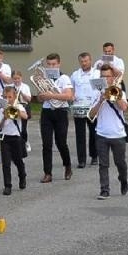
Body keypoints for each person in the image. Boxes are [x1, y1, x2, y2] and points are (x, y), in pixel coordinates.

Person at [89, 63, 128, 199]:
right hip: (101, 133)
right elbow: (91, 115)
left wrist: (113, 95)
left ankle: (123, 180)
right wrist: (100, 100)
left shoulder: (119, 91)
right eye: (103, 76)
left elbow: (124, 107)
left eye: (108, 76)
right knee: (103, 164)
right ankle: (104, 190)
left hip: (118, 134)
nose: (105, 79)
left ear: (113, 78)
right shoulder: (96, 92)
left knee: (120, 163)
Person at [36, 53, 75, 183]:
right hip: (47, 112)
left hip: (60, 112)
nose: (51, 67)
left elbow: (69, 96)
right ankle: (47, 173)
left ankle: (67, 166)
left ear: (59, 64)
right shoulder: (44, 78)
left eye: (54, 64)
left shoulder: (64, 78)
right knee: (46, 144)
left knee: (61, 143)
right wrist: (42, 95)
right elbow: (39, 98)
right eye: (49, 64)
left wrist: (51, 95)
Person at [0, 85, 28, 195]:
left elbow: (25, 116)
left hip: (16, 137)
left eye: (9, 97)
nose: (7, 99)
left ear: (14, 97)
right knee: (6, 163)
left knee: (18, 160)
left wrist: (13, 111)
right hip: (5, 138)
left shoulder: (18, 106)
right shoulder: (1, 109)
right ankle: (7, 186)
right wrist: (4, 118)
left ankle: (22, 176)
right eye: (5, 97)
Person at [70, 51, 99, 169]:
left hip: (93, 107)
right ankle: (81, 160)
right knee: (80, 134)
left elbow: (100, 89)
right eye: (82, 61)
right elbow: (71, 90)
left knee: (94, 132)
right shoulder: (75, 75)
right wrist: (72, 97)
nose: (84, 63)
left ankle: (94, 156)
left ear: (90, 61)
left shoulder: (97, 73)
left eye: (86, 61)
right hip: (79, 107)